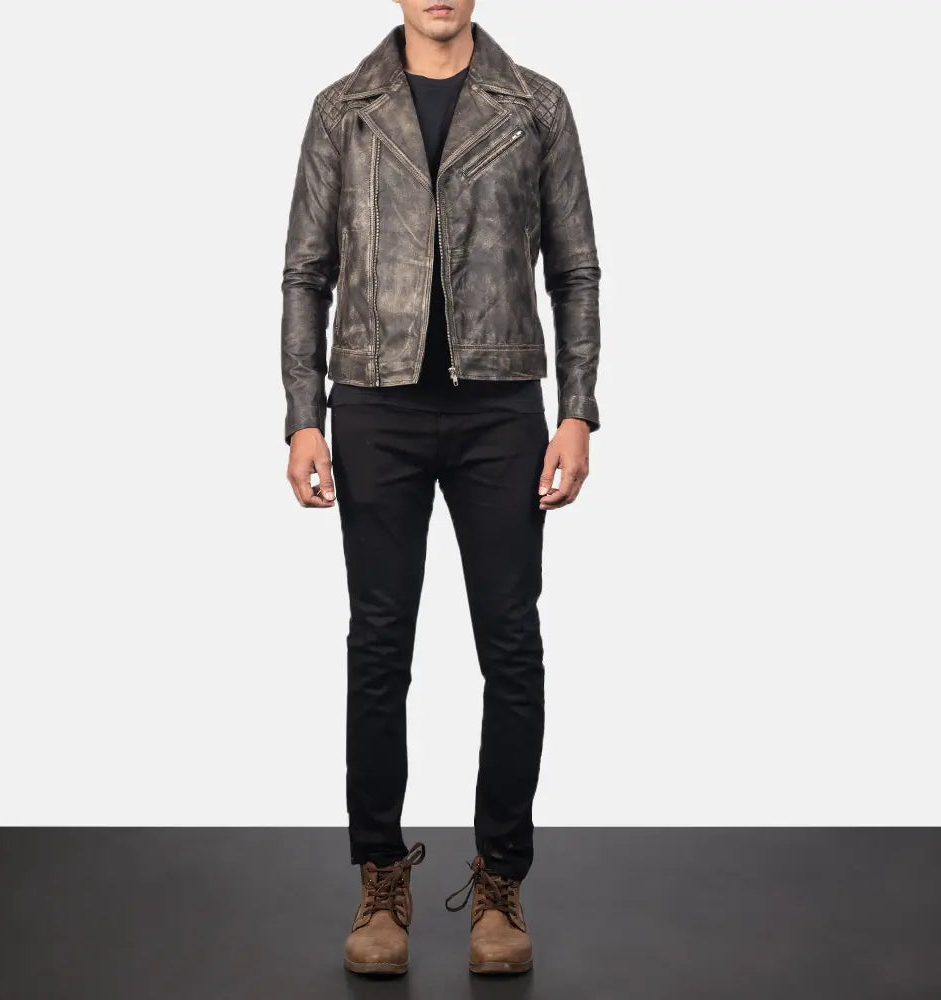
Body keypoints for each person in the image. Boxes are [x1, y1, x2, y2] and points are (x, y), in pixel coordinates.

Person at [280, 0, 601, 977]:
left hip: (500, 408)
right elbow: (306, 273)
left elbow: (575, 269)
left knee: (512, 644)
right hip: (372, 406)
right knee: (379, 646)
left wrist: (577, 410)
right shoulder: (343, 109)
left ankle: (500, 882)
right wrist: (303, 414)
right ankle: (380, 878)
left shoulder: (535, 105)